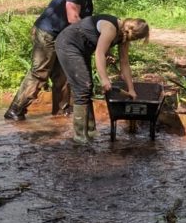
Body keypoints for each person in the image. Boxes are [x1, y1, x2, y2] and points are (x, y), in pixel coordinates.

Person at [3, 0, 110, 121]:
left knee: (63, 75)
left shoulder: (88, 2)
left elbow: (85, 27)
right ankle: (15, 109)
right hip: (46, 33)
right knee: (40, 73)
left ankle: (61, 110)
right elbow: (73, 19)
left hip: (62, 40)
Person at [54, 15, 149, 144]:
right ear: (133, 34)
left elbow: (124, 63)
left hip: (83, 49)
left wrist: (131, 89)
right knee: (83, 87)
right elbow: (99, 53)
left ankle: (91, 131)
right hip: (68, 44)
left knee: (87, 87)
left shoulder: (124, 36)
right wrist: (104, 79)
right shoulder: (110, 27)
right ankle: (80, 135)